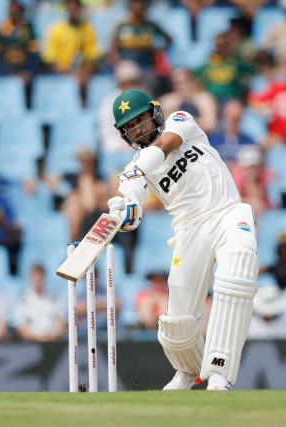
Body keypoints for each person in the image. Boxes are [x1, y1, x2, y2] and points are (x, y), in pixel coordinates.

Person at [108, 88, 260, 391]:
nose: (138, 129)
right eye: (131, 127)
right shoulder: (134, 171)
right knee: (177, 319)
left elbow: (167, 144)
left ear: (155, 114)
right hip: (188, 230)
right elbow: (133, 208)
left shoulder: (181, 121)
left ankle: (219, 371)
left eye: (140, 121)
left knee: (238, 264)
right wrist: (124, 205)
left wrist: (135, 173)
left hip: (227, 211)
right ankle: (188, 371)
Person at [41, 0, 102, 87]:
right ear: (66, 10)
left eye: (76, 9)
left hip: (83, 75)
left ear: (80, 9)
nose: (73, 12)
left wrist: (86, 70)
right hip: (61, 75)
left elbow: (94, 55)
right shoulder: (56, 30)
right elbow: (49, 59)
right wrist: (68, 71)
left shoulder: (88, 29)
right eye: (70, 9)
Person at [0, 0, 39, 82]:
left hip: (24, 72)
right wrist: (8, 73)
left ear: (22, 11)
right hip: (5, 73)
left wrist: (28, 71)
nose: (14, 12)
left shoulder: (30, 31)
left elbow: (34, 55)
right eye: (11, 9)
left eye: (17, 9)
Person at [14, 265, 66, 342]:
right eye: (35, 278)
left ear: (44, 278)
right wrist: (38, 337)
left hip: (52, 342)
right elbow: (21, 328)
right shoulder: (23, 300)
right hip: (31, 344)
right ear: (30, 278)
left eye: (40, 278)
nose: (38, 281)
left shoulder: (55, 299)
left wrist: (50, 337)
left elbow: (61, 323)